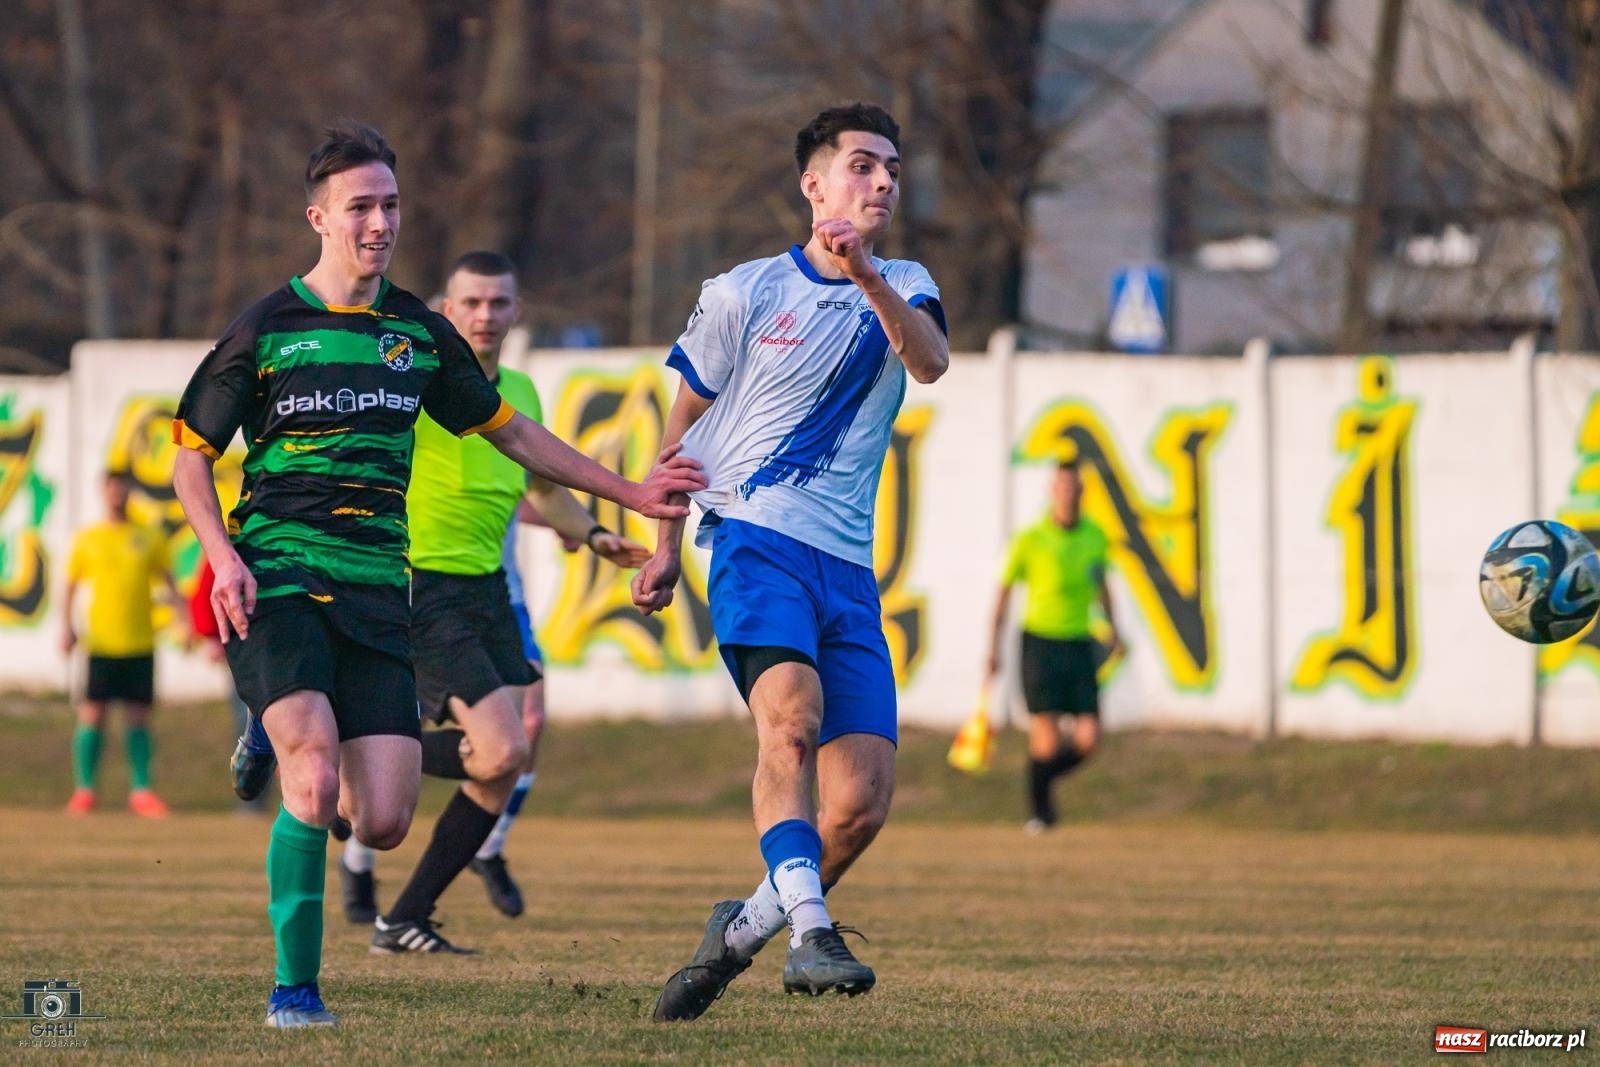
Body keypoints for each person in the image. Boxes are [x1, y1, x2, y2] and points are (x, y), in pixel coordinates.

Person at [170, 123, 702, 1029]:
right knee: (308, 769)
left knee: (380, 818)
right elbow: (189, 453)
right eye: (360, 208)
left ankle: (285, 736)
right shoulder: (268, 328)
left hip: (383, 590)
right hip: (281, 572)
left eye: (391, 206)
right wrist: (223, 557)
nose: (380, 223)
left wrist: (634, 493)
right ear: (319, 218)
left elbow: (518, 438)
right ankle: (295, 991)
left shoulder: (417, 334)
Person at [633, 103, 948, 1022]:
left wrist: (869, 282)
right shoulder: (742, 292)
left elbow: (927, 364)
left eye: (891, 167)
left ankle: (742, 934)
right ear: (814, 185)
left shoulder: (908, 280)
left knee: (860, 804)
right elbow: (679, 431)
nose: (882, 180)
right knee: (792, 724)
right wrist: (660, 547)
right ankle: (813, 932)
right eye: (862, 165)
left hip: (847, 567)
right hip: (753, 538)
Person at [335, 251, 648, 944]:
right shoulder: (413, 384)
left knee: (504, 760)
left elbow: (540, 487)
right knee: (500, 748)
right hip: (421, 583)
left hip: (486, 589)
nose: (485, 315)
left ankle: (406, 913)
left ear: (517, 312)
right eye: (471, 302)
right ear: (447, 309)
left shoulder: (522, 396)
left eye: (498, 303)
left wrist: (596, 535)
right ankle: (352, 764)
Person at [986, 459, 1122, 834]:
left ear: (1082, 491)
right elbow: (1003, 592)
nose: (1067, 493)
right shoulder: (1030, 539)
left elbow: (1103, 587)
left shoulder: (1095, 536)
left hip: (1079, 642)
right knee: (1044, 738)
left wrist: (1114, 630)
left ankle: (1039, 781)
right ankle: (1041, 813)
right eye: (1060, 486)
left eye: (1073, 486)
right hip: (1040, 642)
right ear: (1052, 492)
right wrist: (992, 647)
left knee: (1088, 738)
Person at [61, 472, 179, 818]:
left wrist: (184, 620)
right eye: (112, 487)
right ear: (103, 492)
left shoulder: (148, 537)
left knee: (138, 717)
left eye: (123, 487)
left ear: (130, 492)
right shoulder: (89, 539)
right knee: (92, 715)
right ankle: (84, 791)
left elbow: (169, 583)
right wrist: (66, 627)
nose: (118, 494)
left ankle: (141, 791)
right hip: (100, 642)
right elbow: (69, 587)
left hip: (140, 641)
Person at [191, 558, 273, 813]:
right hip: (246, 647)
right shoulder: (232, 542)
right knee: (249, 723)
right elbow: (205, 590)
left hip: (288, 647)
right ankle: (252, 799)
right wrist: (211, 635)